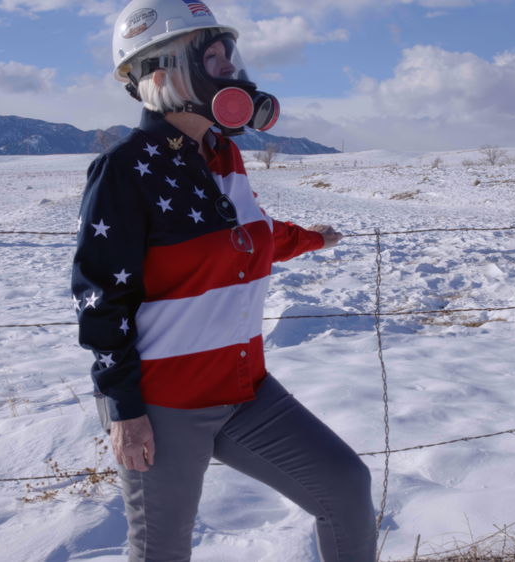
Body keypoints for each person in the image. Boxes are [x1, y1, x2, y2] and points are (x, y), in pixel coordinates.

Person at [71, 1, 377, 560]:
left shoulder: (224, 153)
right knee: (162, 551)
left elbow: (247, 235)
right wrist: (124, 410)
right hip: (164, 406)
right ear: (164, 71)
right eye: (211, 56)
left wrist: (311, 239)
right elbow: (100, 300)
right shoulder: (126, 168)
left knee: (346, 488)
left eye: (228, 54)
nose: (230, 69)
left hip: (245, 390)